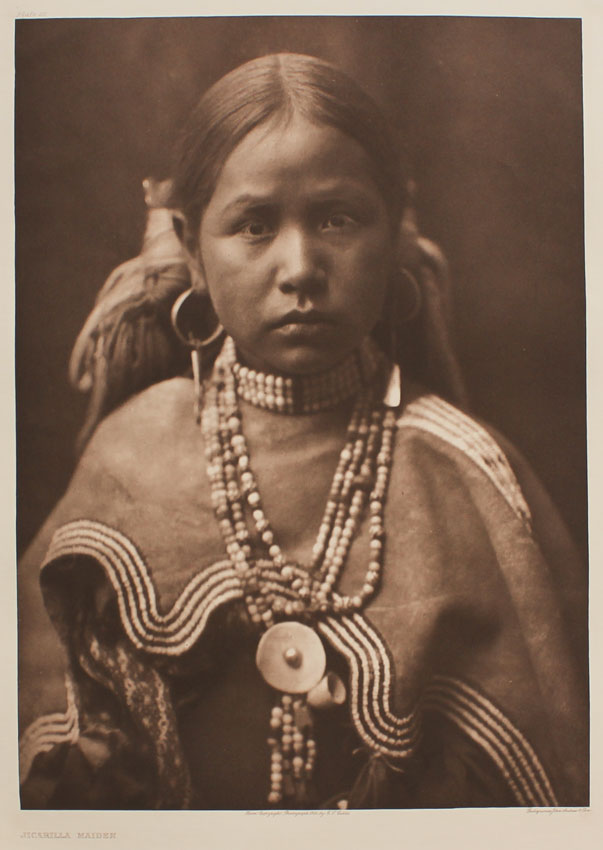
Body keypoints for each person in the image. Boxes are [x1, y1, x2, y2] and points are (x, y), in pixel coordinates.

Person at [18, 52, 588, 810]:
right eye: (254, 226)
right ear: (191, 249)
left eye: (337, 219)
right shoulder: (133, 452)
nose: (300, 268)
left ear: (392, 234)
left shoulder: (463, 471)